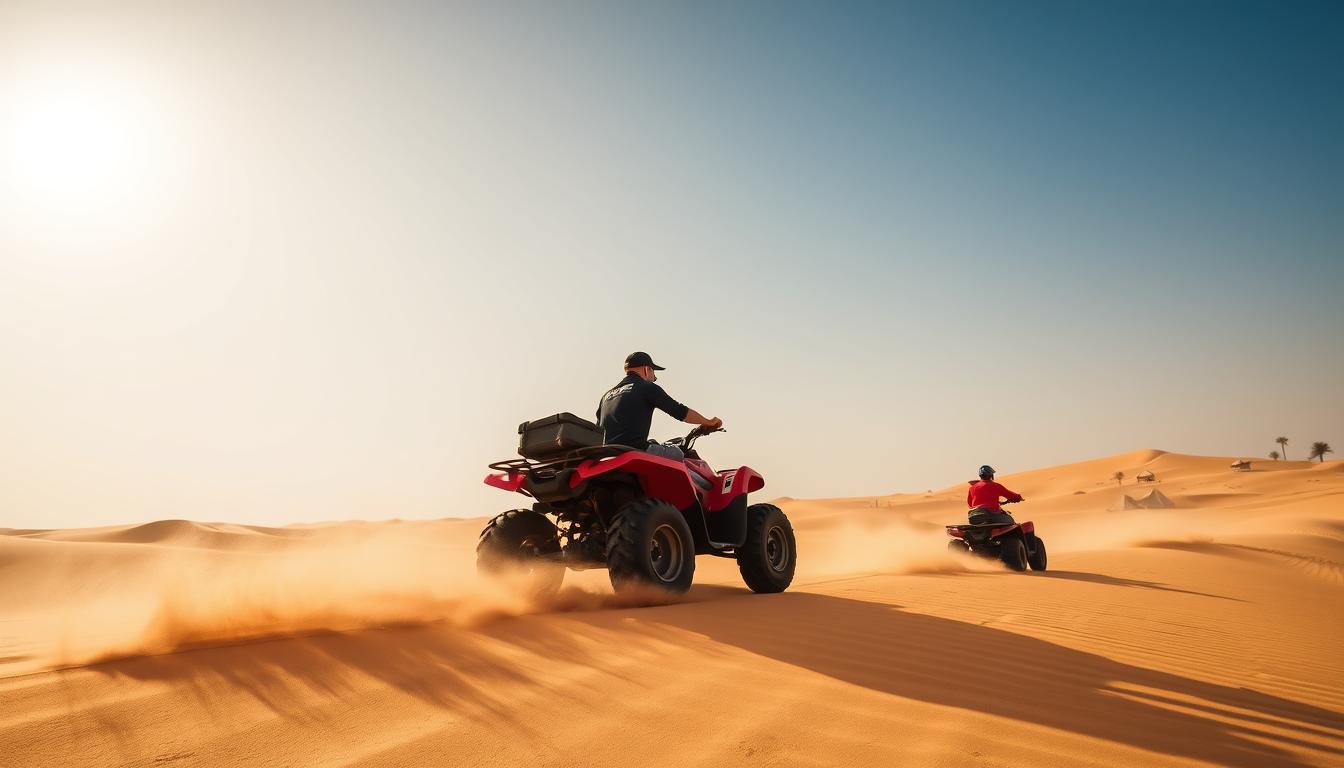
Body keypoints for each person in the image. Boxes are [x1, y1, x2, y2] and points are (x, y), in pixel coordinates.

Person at [596, 352, 722, 459]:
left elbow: (598, 429)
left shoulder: (606, 396)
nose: (655, 378)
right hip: (635, 451)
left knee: (654, 443)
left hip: (608, 455)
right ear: (647, 369)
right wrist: (708, 422)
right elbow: (680, 411)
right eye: (654, 373)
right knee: (678, 453)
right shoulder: (646, 387)